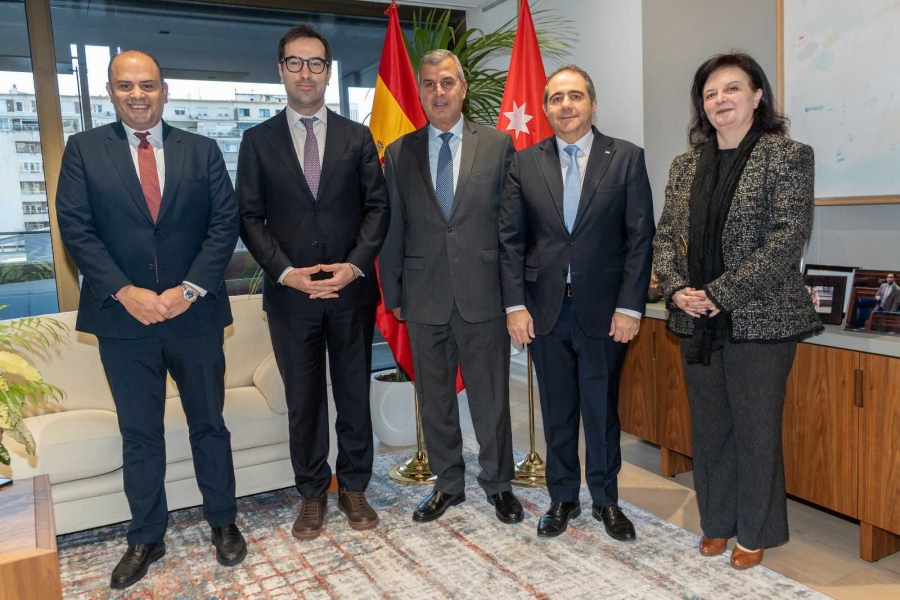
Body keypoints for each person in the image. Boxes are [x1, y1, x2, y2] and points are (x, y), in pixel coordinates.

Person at [56, 50, 245, 589]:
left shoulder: (202, 150)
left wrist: (189, 289)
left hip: (195, 315)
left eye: (147, 85)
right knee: (139, 433)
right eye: (126, 86)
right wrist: (124, 291)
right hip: (124, 321)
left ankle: (223, 521)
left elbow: (224, 224)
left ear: (164, 91)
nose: (137, 95)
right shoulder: (83, 150)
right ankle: (146, 535)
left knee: (209, 424)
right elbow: (76, 229)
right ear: (110, 92)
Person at [652, 52, 822, 569]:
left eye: (732, 89)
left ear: (757, 95)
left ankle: (754, 531)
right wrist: (677, 288)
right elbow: (665, 236)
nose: (720, 100)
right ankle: (717, 522)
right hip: (695, 320)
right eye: (710, 93)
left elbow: (786, 239)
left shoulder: (787, 156)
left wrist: (720, 293)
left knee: (754, 429)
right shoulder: (684, 166)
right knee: (710, 428)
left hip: (761, 319)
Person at [237, 24, 389, 540]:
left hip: (350, 291)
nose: (306, 73)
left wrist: (354, 265)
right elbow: (249, 218)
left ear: (328, 71)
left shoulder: (357, 136)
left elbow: (377, 208)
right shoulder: (256, 141)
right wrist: (286, 272)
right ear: (281, 70)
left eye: (316, 63)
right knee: (303, 400)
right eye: (296, 63)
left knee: (353, 395)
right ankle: (311, 493)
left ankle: (354, 488)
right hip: (291, 297)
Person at [499, 64, 655, 541]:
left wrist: (630, 308)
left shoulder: (625, 158)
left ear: (592, 103)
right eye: (556, 98)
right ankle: (562, 498)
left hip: (605, 313)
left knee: (601, 411)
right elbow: (510, 241)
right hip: (544, 311)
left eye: (575, 96)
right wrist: (514, 306)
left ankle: (606, 500)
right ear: (546, 109)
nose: (565, 105)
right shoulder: (525, 163)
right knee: (557, 409)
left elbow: (640, 239)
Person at [379, 49, 523, 525]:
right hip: (423, 298)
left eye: (446, 82)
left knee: (490, 398)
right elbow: (393, 230)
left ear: (462, 88)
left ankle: (499, 484)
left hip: (484, 295)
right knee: (435, 399)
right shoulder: (399, 153)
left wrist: (514, 296)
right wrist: (395, 296)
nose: (438, 92)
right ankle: (447, 484)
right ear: (420, 92)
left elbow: (511, 227)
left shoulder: (498, 145)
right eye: (429, 84)